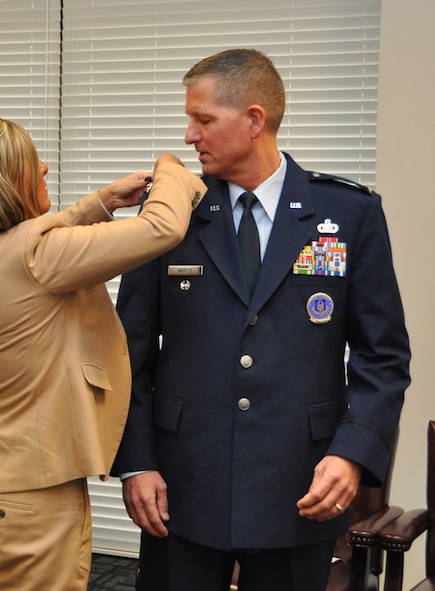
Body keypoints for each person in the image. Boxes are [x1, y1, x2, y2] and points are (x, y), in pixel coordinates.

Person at [112, 48, 411, 591]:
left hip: (299, 488)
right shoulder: (170, 216)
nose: (188, 136)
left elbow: (382, 356)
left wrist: (351, 453)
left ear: (254, 120)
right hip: (182, 487)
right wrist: (137, 462)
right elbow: (126, 352)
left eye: (203, 120)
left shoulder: (348, 214)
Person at [0, 116, 206, 590]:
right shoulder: (41, 257)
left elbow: (34, 241)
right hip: (28, 497)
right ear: (3, 182)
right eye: (29, 162)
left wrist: (99, 204)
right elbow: (162, 226)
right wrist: (170, 166)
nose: (43, 168)